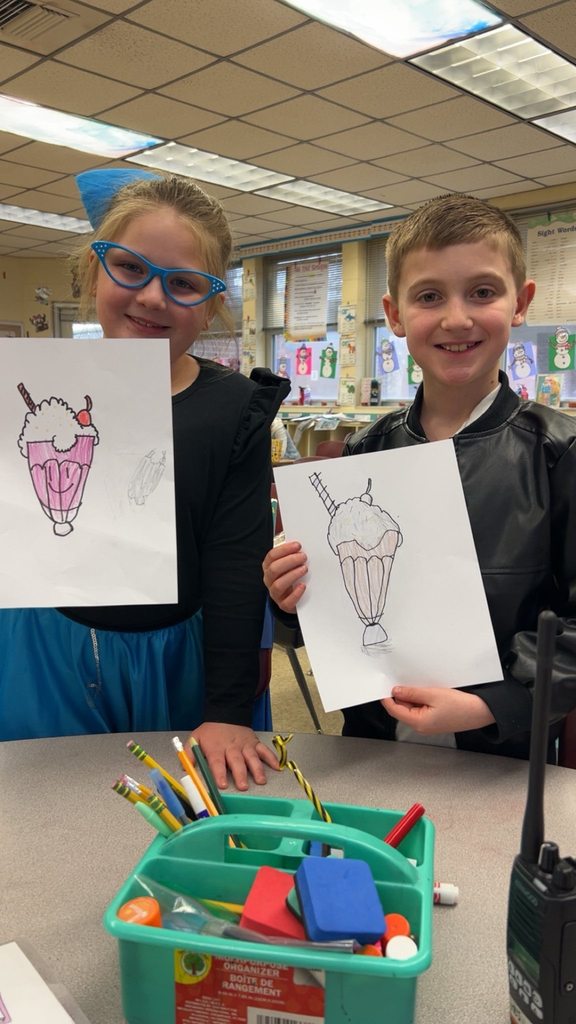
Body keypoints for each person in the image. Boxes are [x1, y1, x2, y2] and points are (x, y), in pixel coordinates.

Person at [1, 168, 290, 789]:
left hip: (175, 655)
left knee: (176, 815)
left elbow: (237, 559)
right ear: (92, 270)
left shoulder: (232, 409)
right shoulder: (27, 394)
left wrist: (228, 710)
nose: (154, 298)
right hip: (42, 643)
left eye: (184, 283)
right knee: (43, 807)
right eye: (130, 268)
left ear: (213, 303)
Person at [264, 193, 576, 761]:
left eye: (482, 292)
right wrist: (291, 601)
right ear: (395, 315)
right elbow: (335, 618)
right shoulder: (367, 450)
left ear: (521, 302)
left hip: (503, 756)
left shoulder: (558, 452)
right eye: (429, 296)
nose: (457, 318)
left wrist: (498, 702)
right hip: (374, 744)